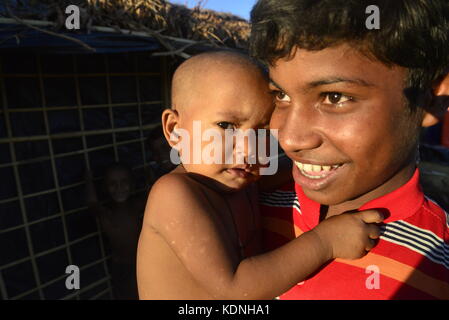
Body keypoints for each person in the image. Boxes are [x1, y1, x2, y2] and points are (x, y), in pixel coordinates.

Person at [136, 51, 383, 300]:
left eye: (263, 132)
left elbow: (289, 173)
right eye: (226, 126)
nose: (249, 149)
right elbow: (235, 288)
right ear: (175, 130)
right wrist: (326, 242)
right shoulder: (175, 193)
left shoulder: (240, 182)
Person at [249, 0, 449, 299]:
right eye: (281, 95)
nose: (290, 138)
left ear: (432, 99)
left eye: (334, 96)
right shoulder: (243, 207)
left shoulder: (436, 263)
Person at [86, 163, 145, 300]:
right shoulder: (106, 214)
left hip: (141, 263)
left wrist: (150, 176)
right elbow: (92, 204)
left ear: (132, 184)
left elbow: (153, 194)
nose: (119, 188)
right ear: (105, 187)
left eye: (124, 182)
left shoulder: (135, 205)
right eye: (112, 183)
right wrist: (88, 180)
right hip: (122, 268)